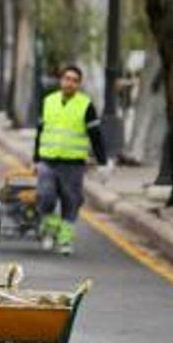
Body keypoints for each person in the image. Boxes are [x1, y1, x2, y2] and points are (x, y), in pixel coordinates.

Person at [33, 65, 114, 256]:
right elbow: (39, 132)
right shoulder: (48, 102)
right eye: (67, 78)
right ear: (61, 81)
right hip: (48, 160)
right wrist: (35, 158)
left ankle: (65, 239)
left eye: (74, 80)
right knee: (45, 196)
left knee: (71, 202)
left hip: (73, 164)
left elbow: (95, 135)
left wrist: (103, 161)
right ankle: (50, 228)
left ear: (79, 84)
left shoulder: (86, 105)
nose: (70, 83)